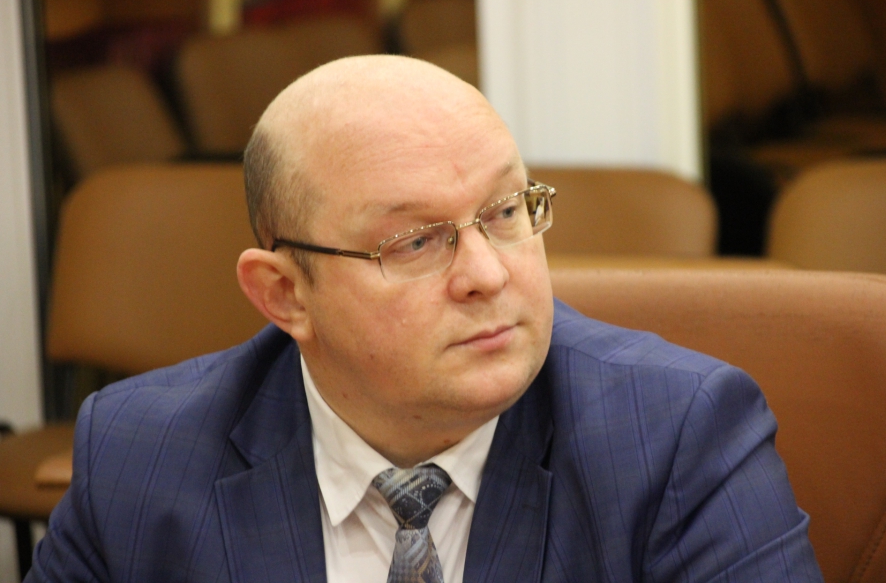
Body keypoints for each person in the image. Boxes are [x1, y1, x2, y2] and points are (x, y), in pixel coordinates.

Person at [26, 55, 823, 582]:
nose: (488, 274)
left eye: (506, 211)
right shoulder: (140, 457)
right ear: (285, 295)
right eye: (414, 242)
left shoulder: (678, 437)